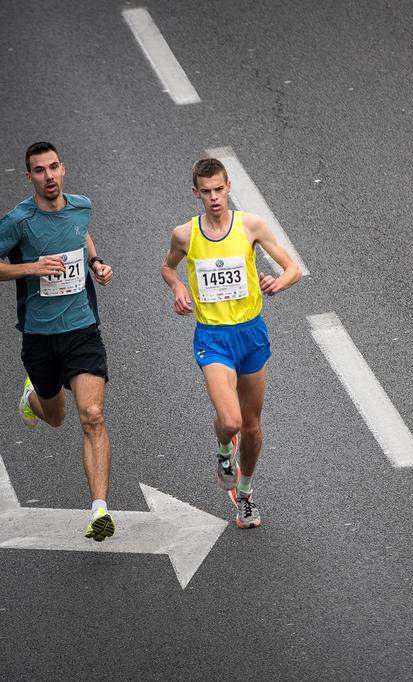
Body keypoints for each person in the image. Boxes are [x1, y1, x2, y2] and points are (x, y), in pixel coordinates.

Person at [0, 141, 117, 542]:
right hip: (39, 337)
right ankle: (31, 400)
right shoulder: (18, 221)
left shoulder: (81, 206)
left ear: (63, 169)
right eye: (40, 171)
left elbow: (81, 233)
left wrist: (95, 263)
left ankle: (99, 511)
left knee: (92, 415)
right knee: (55, 416)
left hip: (82, 330)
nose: (49, 176)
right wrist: (31, 267)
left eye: (54, 168)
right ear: (29, 177)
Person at [161, 158, 300, 528]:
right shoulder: (185, 235)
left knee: (252, 427)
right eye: (205, 192)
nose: (214, 198)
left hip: (251, 334)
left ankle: (245, 495)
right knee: (230, 420)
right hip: (213, 338)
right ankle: (225, 451)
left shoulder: (250, 225)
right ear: (196, 193)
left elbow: (292, 269)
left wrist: (278, 283)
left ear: (228, 187)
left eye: (219, 189)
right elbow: (167, 267)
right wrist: (177, 287)